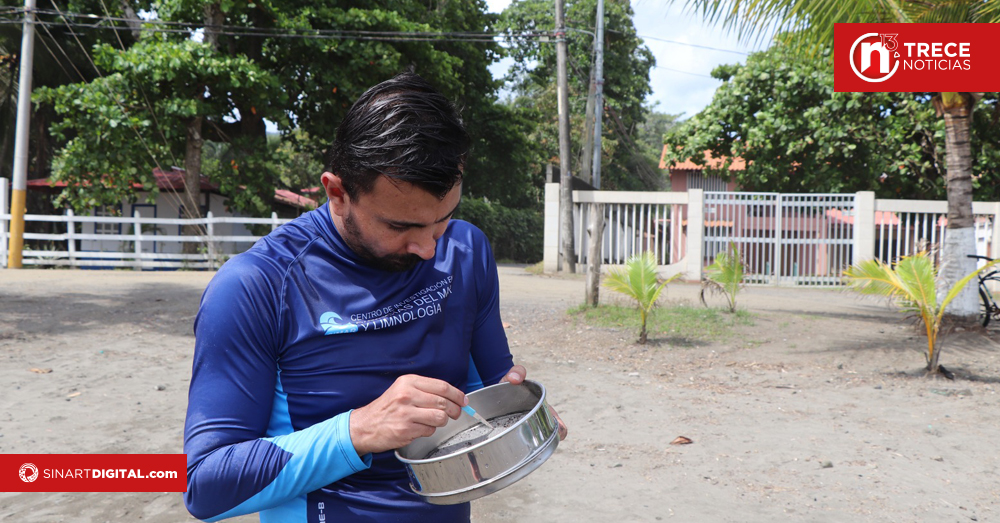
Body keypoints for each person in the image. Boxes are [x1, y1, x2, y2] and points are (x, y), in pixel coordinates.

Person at [182, 72, 566, 522]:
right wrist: (359, 430)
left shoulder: (466, 250)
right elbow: (206, 486)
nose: (428, 248)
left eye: (443, 218)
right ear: (338, 193)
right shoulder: (257, 287)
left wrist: (519, 412)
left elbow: (488, 394)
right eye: (400, 227)